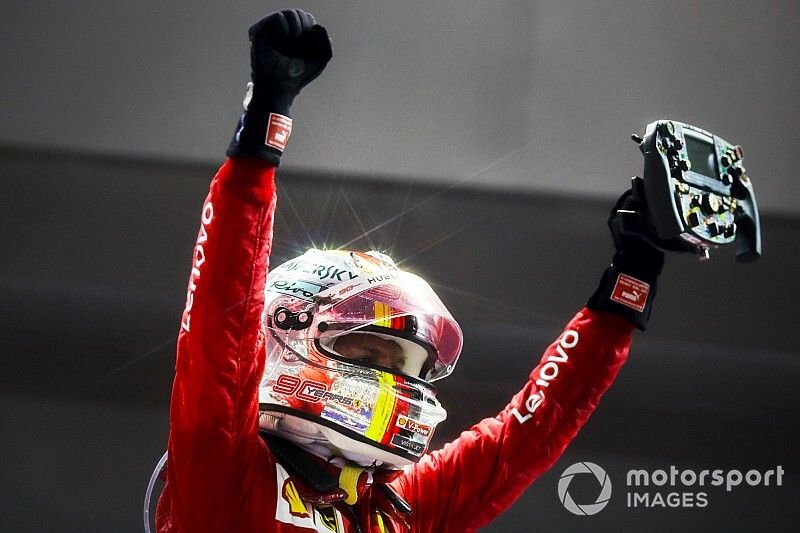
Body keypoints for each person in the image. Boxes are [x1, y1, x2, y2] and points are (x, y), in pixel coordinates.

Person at [155, 9, 681, 532]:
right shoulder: (223, 468)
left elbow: (528, 433)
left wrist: (630, 279)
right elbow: (221, 318)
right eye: (367, 351)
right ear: (285, 334)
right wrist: (264, 125)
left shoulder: (402, 511)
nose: (393, 382)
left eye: (402, 364)